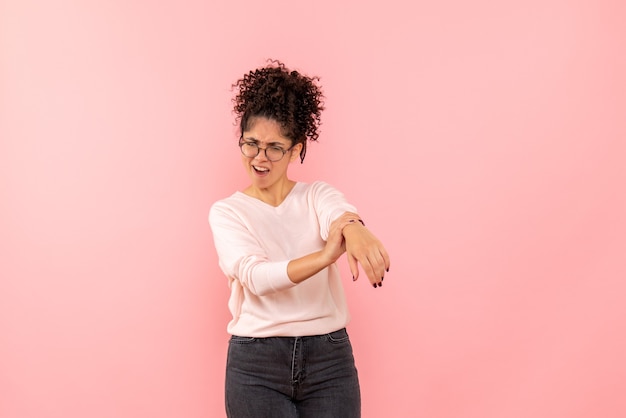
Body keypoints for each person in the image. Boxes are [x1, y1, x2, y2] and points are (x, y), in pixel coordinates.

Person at [208, 60, 391, 418]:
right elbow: (257, 278)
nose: (260, 158)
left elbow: (338, 213)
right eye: (251, 144)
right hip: (256, 365)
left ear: (295, 149)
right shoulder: (228, 212)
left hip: (329, 362)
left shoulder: (315, 196)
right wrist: (325, 257)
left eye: (274, 147)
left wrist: (355, 228)